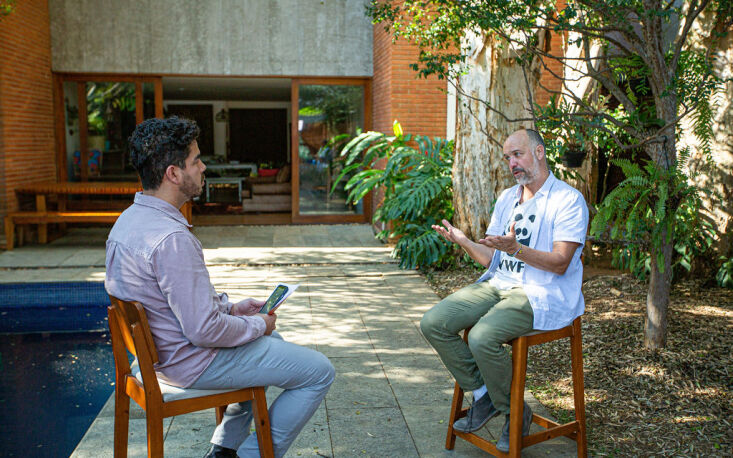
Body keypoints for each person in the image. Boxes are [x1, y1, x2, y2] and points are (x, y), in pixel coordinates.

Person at [105, 117, 335, 458]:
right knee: (319, 372)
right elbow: (203, 331)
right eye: (195, 160)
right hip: (188, 363)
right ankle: (251, 455)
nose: (203, 166)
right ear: (173, 173)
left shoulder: (127, 222)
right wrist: (258, 323)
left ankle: (224, 450)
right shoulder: (172, 239)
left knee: (271, 342)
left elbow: (170, 304)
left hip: (159, 358)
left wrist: (233, 309)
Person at [421, 129, 588, 453]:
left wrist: (517, 250)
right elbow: (491, 259)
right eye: (508, 157)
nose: (512, 163)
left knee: (482, 337)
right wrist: (464, 241)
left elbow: (560, 264)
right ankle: (486, 397)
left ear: (539, 152)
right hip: (498, 284)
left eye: (518, 154)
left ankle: (512, 412)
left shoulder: (567, 199)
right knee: (434, 322)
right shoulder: (506, 199)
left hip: (541, 292)